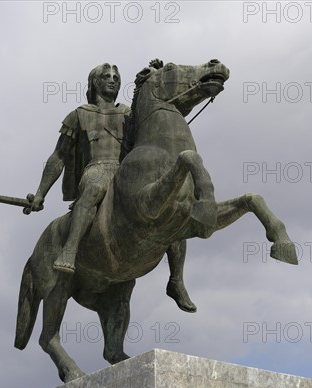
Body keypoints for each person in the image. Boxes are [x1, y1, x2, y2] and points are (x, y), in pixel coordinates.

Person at [31, 63, 197, 312]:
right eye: (106, 76)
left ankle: (177, 280)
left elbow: (160, 111)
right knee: (94, 189)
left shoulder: (128, 114)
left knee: (172, 209)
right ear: (95, 82)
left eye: (116, 77)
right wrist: (41, 194)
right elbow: (59, 157)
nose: (112, 80)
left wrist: (154, 77)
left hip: (129, 171)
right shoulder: (79, 114)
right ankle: (69, 250)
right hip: (97, 169)